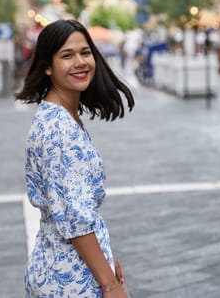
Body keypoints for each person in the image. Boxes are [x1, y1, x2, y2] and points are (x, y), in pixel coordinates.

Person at [15, 19, 134, 297]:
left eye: (85, 52)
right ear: (47, 66)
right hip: (70, 279)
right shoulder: (59, 129)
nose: (80, 62)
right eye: (67, 55)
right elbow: (74, 217)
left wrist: (105, 255)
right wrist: (110, 283)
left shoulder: (61, 114)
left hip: (65, 266)